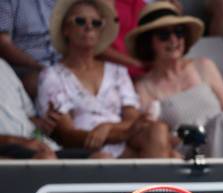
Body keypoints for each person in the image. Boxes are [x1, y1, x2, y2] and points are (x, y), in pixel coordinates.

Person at [37, 0, 178, 158]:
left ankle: (153, 179)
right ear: (65, 29)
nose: (89, 26)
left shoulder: (117, 70)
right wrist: (119, 134)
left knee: (158, 130)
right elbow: (67, 135)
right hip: (84, 152)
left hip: (125, 142)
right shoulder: (51, 76)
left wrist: (108, 127)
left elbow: (132, 117)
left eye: (96, 23)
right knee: (105, 158)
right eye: (80, 21)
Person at [126, 1, 223, 158]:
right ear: (148, 42)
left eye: (179, 32)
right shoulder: (144, 87)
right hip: (188, 155)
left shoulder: (204, 66)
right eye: (164, 35)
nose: (173, 40)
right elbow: (153, 140)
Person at [0, 0, 61, 98]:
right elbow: (3, 44)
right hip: (28, 67)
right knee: (45, 84)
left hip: (64, 62)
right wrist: (38, 66)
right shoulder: (8, 2)